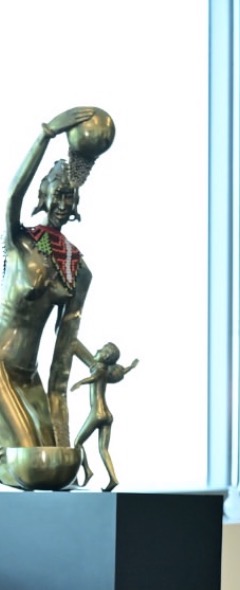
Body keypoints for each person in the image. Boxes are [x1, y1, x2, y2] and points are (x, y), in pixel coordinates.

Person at [0, 109, 103, 457]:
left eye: (69, 197)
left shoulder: (78, 270)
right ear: (43, 195)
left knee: (52, 458)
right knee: (30, 457)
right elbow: (12, 195)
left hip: (29, 377)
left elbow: (61, 362)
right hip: (0, 365)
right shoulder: (20, 242)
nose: (62, 203)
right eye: (58, 194)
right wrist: (46, 135)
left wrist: (66, 440)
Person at [71, 341, 138, 490]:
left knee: (77, 443)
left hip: (98, 413)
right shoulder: (108, 371)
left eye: (101, 350)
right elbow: (121, 372)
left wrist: (80, 382)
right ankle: (113, 478)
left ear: (106, 356)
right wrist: (130, 367)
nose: (97, 349)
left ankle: (87, 470)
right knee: (103, 449)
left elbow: (95, 377)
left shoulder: (100, 368)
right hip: (107, 415)